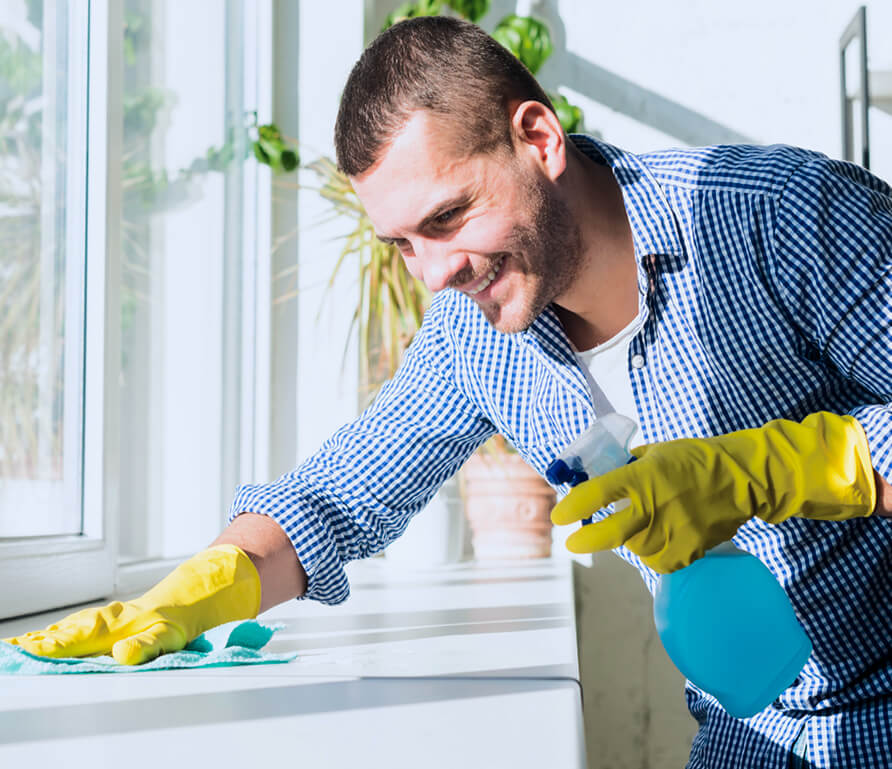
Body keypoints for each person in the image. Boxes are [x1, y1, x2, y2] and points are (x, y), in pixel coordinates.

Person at [6, 15, 891, 768]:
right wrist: (201, 588)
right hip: (749, 731)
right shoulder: (477, 337)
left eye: (446, 218)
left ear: (538, 139)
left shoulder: (779, 216)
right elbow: (335, 497)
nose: (432, 273)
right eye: (400, 243)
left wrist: (775, 467)